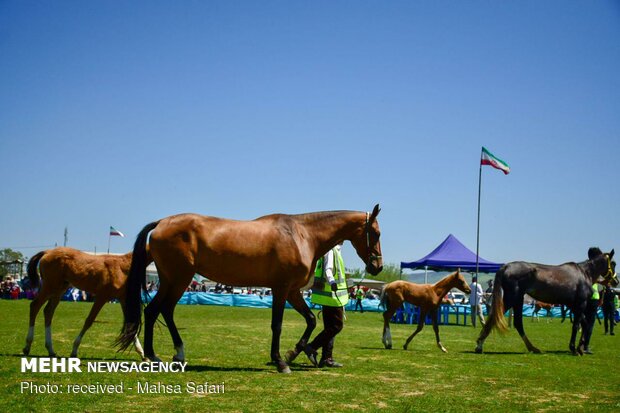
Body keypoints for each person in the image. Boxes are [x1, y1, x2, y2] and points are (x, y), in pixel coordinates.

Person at [303, 243, 349, 368]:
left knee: (329, 328)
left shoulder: (334, 250)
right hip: (333, 297)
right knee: (337, 326)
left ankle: (326, 358)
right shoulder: (331, 250)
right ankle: (311, 347)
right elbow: (328, 269)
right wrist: (332, 281)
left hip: (329, 296)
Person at [582, 282, 604, 354]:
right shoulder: (594, 283)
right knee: (589, 325)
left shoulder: (588, 282)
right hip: (592, 302)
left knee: (586, 325)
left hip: (589, 302)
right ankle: (585, 346)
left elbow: (602, 290)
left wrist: (600, 300)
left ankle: (583, 345)